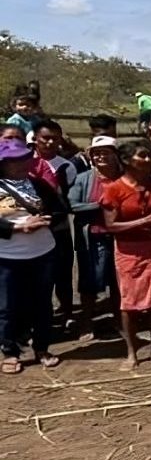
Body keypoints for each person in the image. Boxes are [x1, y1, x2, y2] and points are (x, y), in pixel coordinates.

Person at [101, 142, 151, 370]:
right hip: (129, 251)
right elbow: (111, 226)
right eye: (142, 155)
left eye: (148, 155)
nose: (148, 159)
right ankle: (131, 354)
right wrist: (144, 221)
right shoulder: (114, 189)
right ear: (126, 161)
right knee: (129, 303)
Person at [0, 138, 66, 374]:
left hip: (42, 252)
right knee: (6, 306)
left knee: (42, 304)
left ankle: (42, 348)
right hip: (6, 256)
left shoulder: (39, 185)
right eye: (12, 161)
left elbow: (59, 209)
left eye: (22, 159)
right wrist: (17, 228)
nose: (19, 164)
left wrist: (46, 221)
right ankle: (9, 351)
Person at [68, 136, 123, 340]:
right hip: (93, 236)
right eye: (96, 153)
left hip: (122, 236)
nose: (100, 156)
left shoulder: (125, 177)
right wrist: (101, 205)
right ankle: (86, 322)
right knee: (90, 280)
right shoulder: (84, 178)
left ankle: (119, 319)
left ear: (116, 155)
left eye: (106, 152)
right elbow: (72, 204)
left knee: (119, 281)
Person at [32, 120, 78, 328]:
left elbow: (69, 197)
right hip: (32, 227)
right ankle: (40, 316)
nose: (50, 142)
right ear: (35, 139)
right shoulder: (22, 164)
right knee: (36, 275)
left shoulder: (67, 165)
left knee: (63, 271)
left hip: (59, 225)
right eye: (45, 138)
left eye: (55, 138)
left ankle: (67, 312)